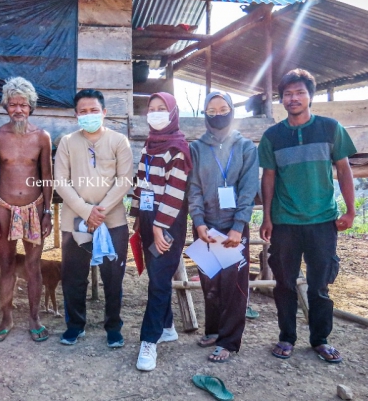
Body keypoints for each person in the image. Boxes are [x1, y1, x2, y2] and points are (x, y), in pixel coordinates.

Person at [258, 69, 356, 364]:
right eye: (288, 94)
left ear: (310, 95)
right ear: (281, 99)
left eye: (299, 92)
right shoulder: (272, 136)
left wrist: (351, 210)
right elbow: (269, 178)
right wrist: (267, 217)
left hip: (322, 220)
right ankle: (286, 337)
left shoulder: (330, 128)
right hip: (285, 221)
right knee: (284, 283)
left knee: (320, 285)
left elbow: (344, 170)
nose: (293, 98)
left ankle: (320, 339)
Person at [54, 89, 133, 347]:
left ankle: (113, 327)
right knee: (74, 277)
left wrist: (100, 211)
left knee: (113, 276)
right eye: (83, 111)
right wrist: (86, 211)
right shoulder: (67, 141)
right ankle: (75, 326)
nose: (89, 115)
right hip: (75, 220)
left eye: (94, 110)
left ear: (104, 113)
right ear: (76, 115)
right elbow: (60, 183)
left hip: (113, 220)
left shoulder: (119, 141)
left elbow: (125, 181)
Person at [187, 92, 259, 363]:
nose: (218, 114)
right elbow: (193, 187)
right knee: (210, 282)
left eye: (223, 108)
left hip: (233, 229)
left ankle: (229, 340)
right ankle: (214, 330)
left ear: (232, 111)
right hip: (206, 227)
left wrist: (239, 226)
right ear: (205, 114)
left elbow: (249, 189)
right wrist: (199, 221)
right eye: (211, 110)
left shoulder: (246, 147)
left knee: (234, 286)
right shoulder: (196, 148)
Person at [0, 76, 53, 343]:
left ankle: (34, 317)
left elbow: (47, 176)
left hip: (34, 208)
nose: (18, 110)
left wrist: (47, 211)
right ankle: (6, 317)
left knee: (34, 265)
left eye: (23, 104)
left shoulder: (42, 138)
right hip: (3, 208)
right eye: (13, 104)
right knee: (6, 264)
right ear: (6, 106)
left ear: (31, 106)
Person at [129, 92, 193, 371]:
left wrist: (158, 228)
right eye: (151, 109)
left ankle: (149, 341)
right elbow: (141, 183)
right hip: (147, 218)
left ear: (173, 113)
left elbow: (175, 194)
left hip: (167, 223)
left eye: (161, 109)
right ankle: (167, 326)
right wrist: (136, 217)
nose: (155, 113)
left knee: (158, 280)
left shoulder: (178, 149)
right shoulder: (149, 145)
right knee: (158, 276)